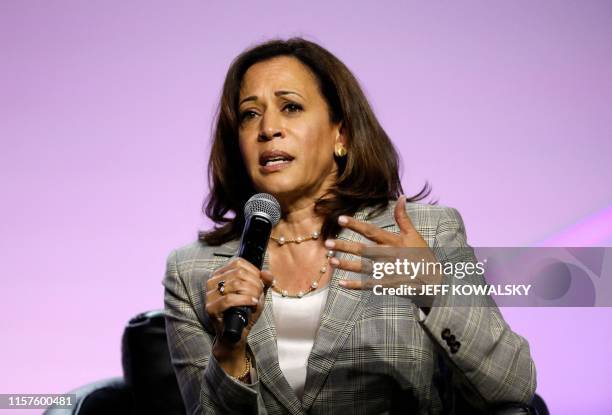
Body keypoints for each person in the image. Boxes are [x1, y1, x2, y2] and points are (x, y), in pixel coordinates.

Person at [163, 38, 536, 414]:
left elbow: (513, 385)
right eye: (249, 114)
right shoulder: (194, 271)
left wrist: (435, 291)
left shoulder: (428, 232)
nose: (268, 129)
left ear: (339, 134)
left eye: (290, 107)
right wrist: (230, 352)